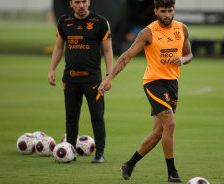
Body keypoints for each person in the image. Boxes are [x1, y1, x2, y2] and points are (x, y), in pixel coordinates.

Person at [98, 0, 192, 182]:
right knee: (170, 124)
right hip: (154, 83)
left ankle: (129, 164)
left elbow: (189, 53)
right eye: (162, 11)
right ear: (155, 11)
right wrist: (109, 78)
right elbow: (127, 55)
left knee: (159, 132)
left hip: (172, 83)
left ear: (174, 10)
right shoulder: (148, 32)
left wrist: (184, 59)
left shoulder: (182, 29)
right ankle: (172, 172)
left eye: (169, 11)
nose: (166, 15)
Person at [48, 0, 113, 163]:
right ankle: (70, 150)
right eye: (77, 2)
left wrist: (109, 76)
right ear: (71, 4)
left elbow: (107, 50)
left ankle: (100, 153)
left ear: (89, 2)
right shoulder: (64, 21)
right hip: (70, 79)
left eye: (84, 1)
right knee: (71, 117)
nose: (81, 5)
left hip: (93, 80)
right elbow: (58, 48)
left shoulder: (100, 22)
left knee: (97, 116)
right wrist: (51, 70)